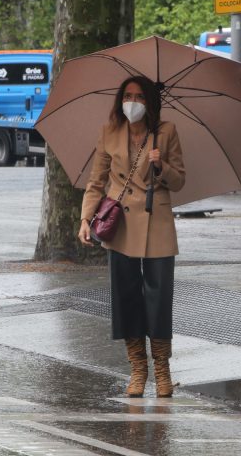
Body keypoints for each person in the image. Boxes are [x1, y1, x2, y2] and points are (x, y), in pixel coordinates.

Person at [78, 75, 185, 398]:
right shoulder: (109, 131)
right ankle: (138, 370)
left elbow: (179, 180)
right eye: (128, 96)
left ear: (150, 102)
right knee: (126, 297)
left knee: (158, 297)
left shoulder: (166, 132)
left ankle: (162, 370)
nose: (132, 102)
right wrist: (85, 218)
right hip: (120, 224)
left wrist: (161, 165)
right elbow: (97, 181)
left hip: (158, 223)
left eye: (139, 97)